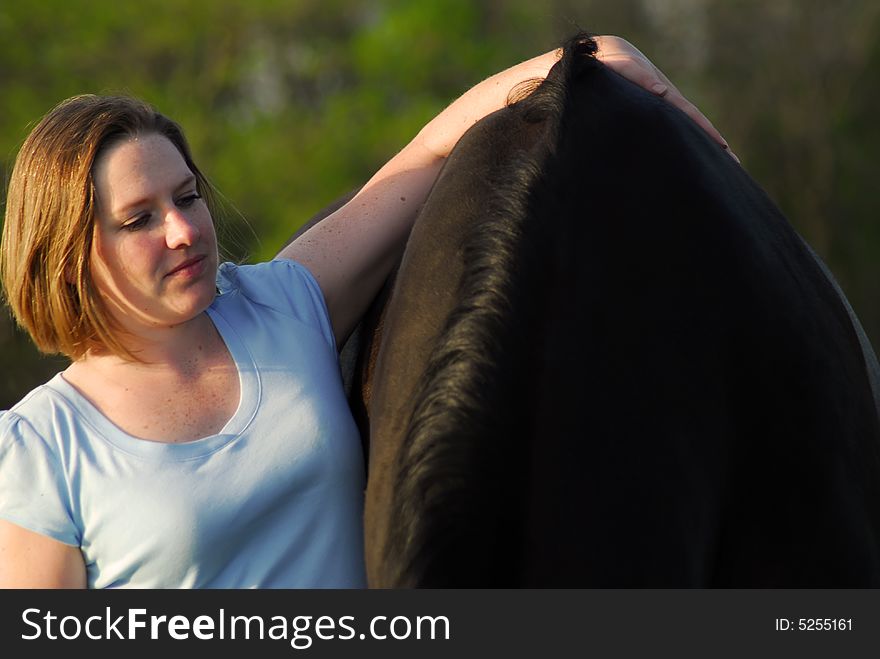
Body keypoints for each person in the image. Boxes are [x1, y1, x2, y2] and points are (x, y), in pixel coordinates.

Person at [0, 35, 731, 588]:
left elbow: (427, 155)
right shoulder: (38, 450)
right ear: (66, 253)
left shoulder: (284, 305)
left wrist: (586, 56)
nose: (185, 229)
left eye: (187, 196)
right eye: (140, 219)